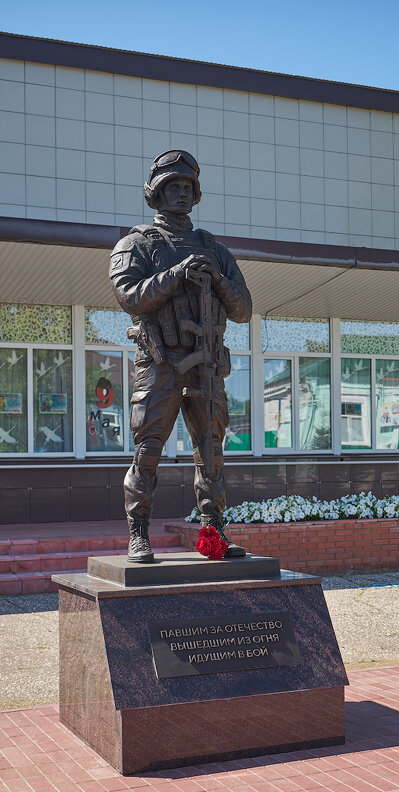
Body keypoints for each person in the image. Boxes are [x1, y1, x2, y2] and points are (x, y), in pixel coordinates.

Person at [109, 150, 252, 562]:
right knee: (148, 450)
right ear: (156, 193)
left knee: (211, 453)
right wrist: (176, 274)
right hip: (161, 364)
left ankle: (214, 534)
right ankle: (139, 534)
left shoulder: (215, 249)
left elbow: (243, 309)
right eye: (173, 186)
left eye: (188, 186)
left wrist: (217, 279)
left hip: (207, 364)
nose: (182, 193)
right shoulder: (136, 244)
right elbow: (129, 296)